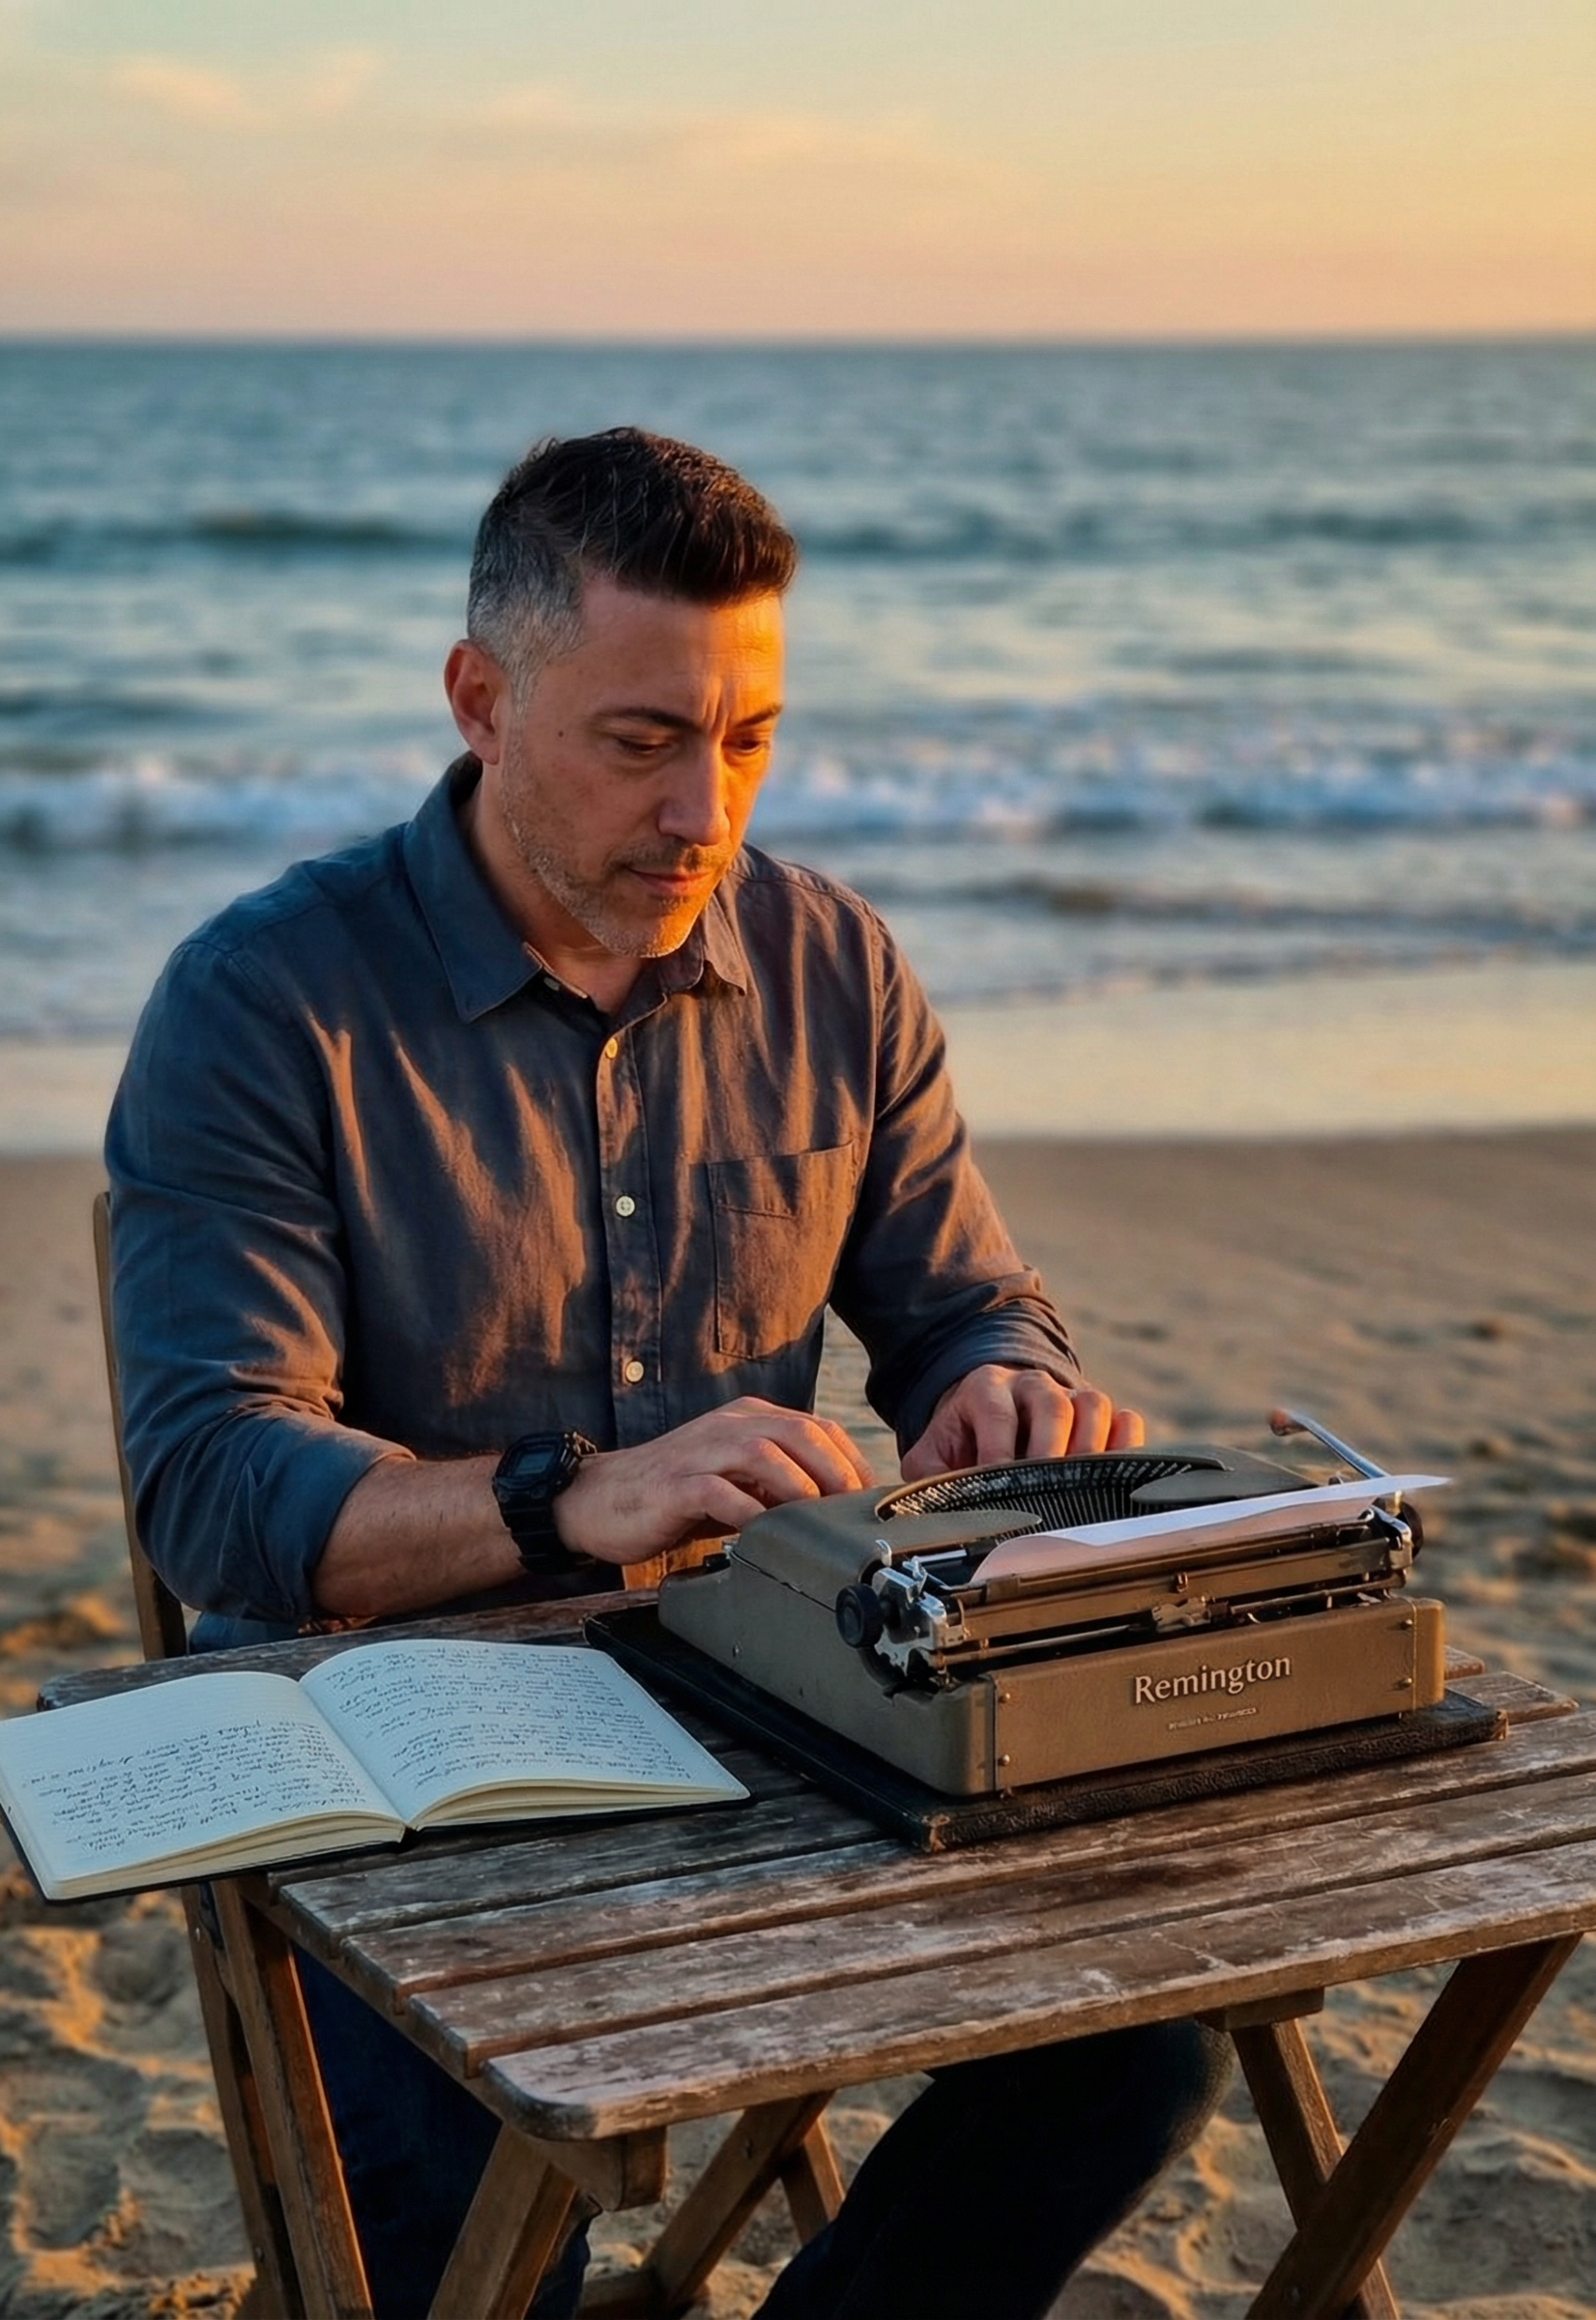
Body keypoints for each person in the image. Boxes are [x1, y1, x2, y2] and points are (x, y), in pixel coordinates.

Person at [106, 428, 1230, 2319]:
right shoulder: (264, 1002)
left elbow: (966, 1305)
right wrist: (564, 1493)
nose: (701, 805)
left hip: (758, 1698)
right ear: (481, 699)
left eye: (746, 737)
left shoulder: (831, 969)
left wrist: (1004, 1387)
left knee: (1136, 2048)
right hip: (385, 1748)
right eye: (639, 740)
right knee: (475, 2190)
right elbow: (213, 1486)